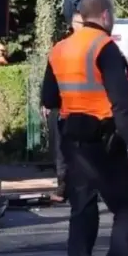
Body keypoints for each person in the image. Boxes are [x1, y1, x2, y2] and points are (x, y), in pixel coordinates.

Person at [41, 0, 128, 256]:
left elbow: (50, 99)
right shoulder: (104, 47)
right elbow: (121, 102)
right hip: (104, 140)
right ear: (105, 16)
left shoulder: (59, 49)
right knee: (126, 211)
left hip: (72, 140)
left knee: (82, 211)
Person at [43, 11, 86, 201]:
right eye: (80, 22)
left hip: (77, 108)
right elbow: (50, 78)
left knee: (72, 150)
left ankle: (70, 187)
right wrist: (48, 102)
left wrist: (49, 101)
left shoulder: (63, 48)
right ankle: (67, 186)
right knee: (64, 151)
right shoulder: (61, 48)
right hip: (68, 108)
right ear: (72, 24)